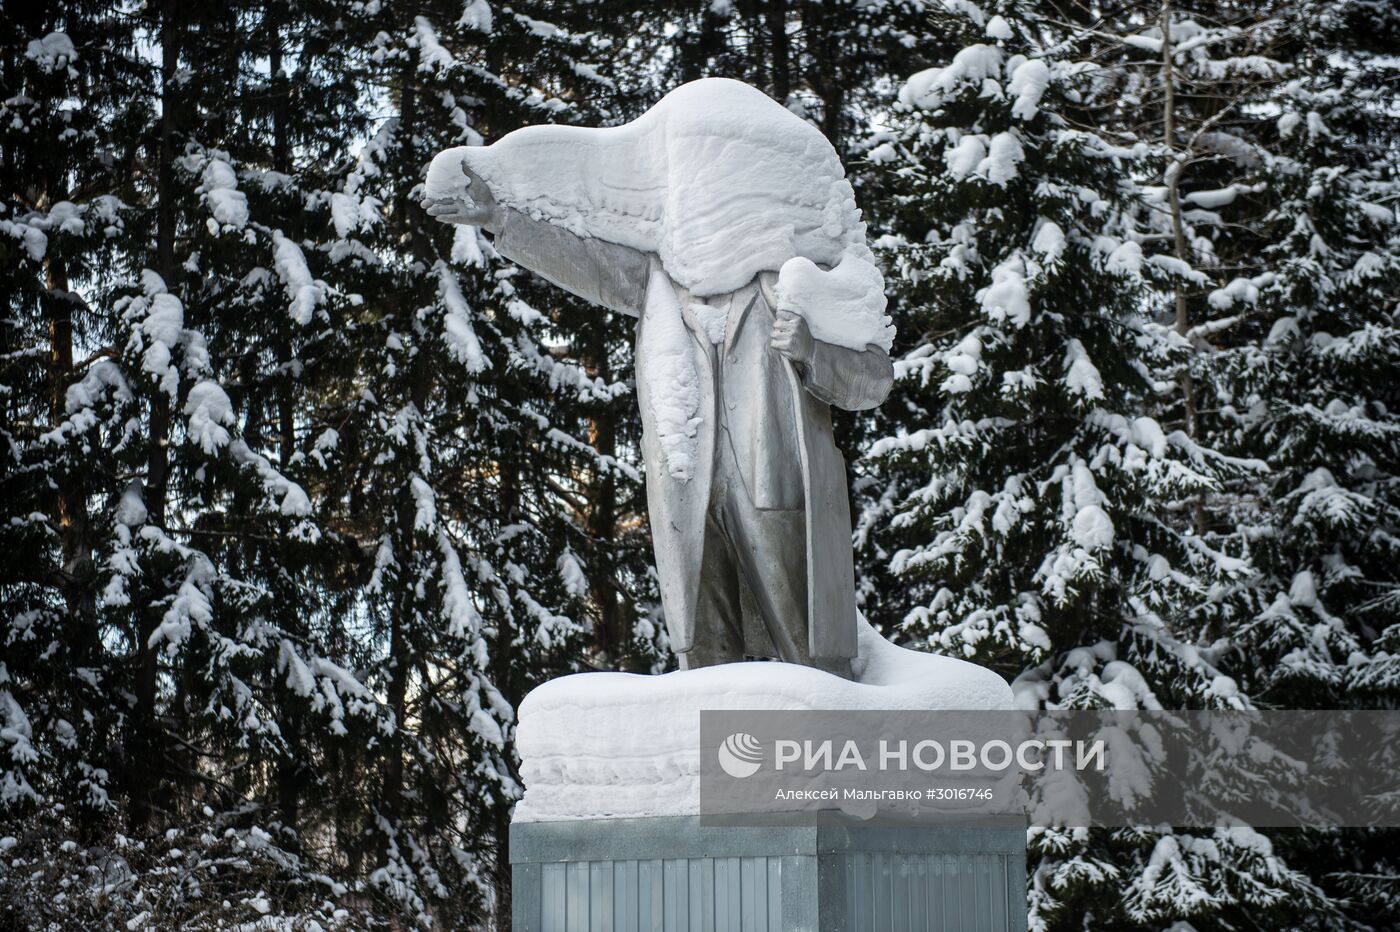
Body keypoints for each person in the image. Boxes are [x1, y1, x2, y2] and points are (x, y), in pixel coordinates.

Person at [426, 164, 891, 678]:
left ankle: (825, 744)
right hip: (687, 489)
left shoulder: (800, 277)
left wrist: (812, 352)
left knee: (810, 657)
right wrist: (500, 218)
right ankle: (714, 754)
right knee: (705, 663)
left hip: (776, 489)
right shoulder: (660, 279)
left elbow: (873, 379)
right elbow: (586, 261)